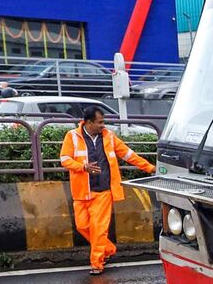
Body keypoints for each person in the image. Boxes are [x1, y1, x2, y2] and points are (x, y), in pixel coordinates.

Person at [60, 106, 155, 275]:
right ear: (88, 123)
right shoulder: (72, 136)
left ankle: (97, 263)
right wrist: (83, 167)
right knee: (82, 226)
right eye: (100, 122)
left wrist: (149, 168)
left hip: (103, 191)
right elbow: (65, 159)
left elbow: (128, 154)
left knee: (98, 228)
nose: (103, 125)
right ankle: (108, 249)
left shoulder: (109, 136)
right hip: (81, 192)